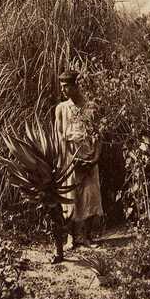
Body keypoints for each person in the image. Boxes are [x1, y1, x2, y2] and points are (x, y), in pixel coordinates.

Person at [55, 70, 103, 252]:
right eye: (62, 87)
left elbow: (99, 135)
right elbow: (59, 136)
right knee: (69, 197)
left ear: (77, 85)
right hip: (69, 157)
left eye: (67, 86)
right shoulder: (61, 108)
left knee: (90, 195)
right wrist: (66, 159)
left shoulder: (91, 108)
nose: (64, 90)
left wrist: (95, 158)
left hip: (88, 156)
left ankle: (87, 237)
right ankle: (71, 238)